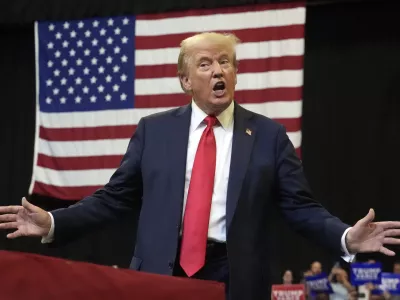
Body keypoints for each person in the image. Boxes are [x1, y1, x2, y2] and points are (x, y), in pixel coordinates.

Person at [1, 32, 400, 300]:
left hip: (235, 276)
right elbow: (113, 200)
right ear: (185, 80)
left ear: (236, 74)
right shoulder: (152, 132)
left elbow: (300, 207)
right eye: (206, 64)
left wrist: (346, 237)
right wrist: (54, 223)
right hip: (160, 272)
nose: (218, 71)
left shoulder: (268, 136)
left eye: (226, 62)